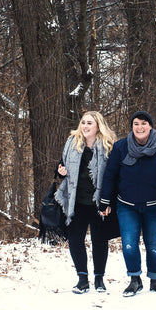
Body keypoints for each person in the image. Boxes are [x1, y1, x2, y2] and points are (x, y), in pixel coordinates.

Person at [99, 110, 156, 296]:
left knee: (153, 243)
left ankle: (155, 279)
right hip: (127, 205)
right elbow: (110, 175)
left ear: (150, 127)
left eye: (144, 123)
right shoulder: (120, 148)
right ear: (132, 127)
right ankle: (134, 280)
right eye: (136, 123)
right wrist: (105, 200)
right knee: (129, 243)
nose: (140, 127)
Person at [55, 111, 117, 294]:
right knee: (75, 240)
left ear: (98, 126)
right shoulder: (72, 144)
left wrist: (109, 202)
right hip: (76, 201)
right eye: (83, 122)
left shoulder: (108, 147)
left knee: (99, 241)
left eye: (89, 122)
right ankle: (82, 279)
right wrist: (61, 172)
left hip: (99, 202)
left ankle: (99, 279)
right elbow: (60, 168)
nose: (85, 126)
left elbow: (114, 176)